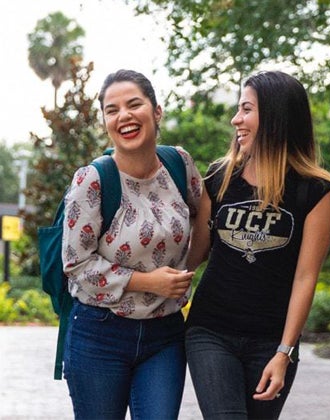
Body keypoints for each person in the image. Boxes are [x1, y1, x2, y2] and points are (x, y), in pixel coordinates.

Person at [185, 70, 330, 420]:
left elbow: (305, 277)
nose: (235, 119)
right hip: (211, 331)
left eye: (246, 109)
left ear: (275, 117)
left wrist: (284, 352)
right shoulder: (219, 178)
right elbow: (195, 254)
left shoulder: (316, 192)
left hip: (272, 341)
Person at [61, 69, 201, 420]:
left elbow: (205, 214)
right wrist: (150, 282)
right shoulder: (92, 179)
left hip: (165, 334)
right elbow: (76, 265)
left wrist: (188, 269)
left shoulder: (179, 163)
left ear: (156, 111)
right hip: (99, 334)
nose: (123, 115)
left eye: (134, 104)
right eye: (112, 110)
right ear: (106, 122)